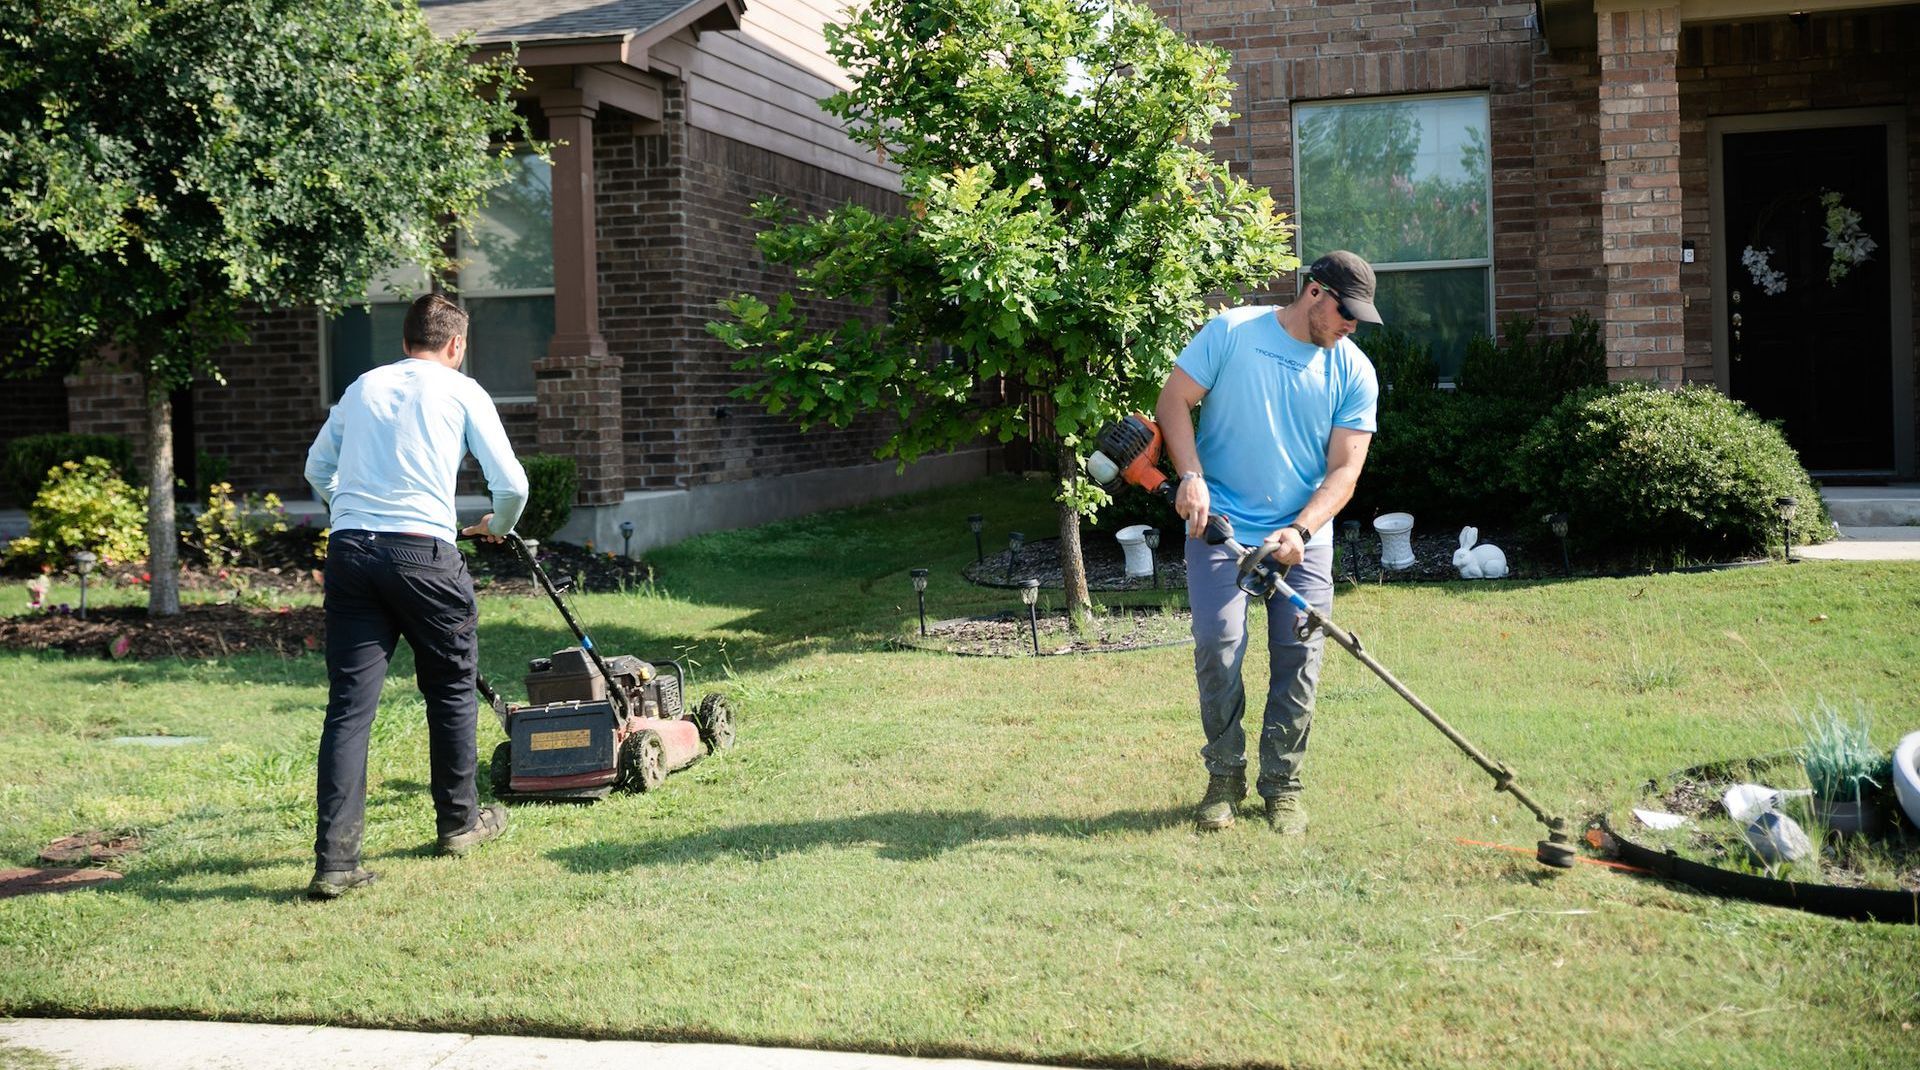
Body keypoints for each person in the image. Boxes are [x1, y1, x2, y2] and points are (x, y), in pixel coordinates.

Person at [303, 292, 529, 898]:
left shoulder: (363, 387)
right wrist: (498, 528)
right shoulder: (462, 390)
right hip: (423, 554)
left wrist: (348, 511)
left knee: (350, 707)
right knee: (452, 689)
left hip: (351, 552)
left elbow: (315, 468)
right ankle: (459, 825)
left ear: (404, 342)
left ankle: (336, 864)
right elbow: (511, 484)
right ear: (455, 345)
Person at [1153, 251, 1382, 834]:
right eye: (1345, 313)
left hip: (1300, 537)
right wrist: (1191, 475)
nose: (1351, 325)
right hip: (1219, 527)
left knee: (1300, 658)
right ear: (1313, 292)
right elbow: (1173, 400)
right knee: (1218, 646)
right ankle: (1224, 777)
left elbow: (1345, 472)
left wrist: (1302, 529)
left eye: (1359, 318)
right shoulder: (1232, 333)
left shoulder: (1353, 371)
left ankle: (1282, 784)